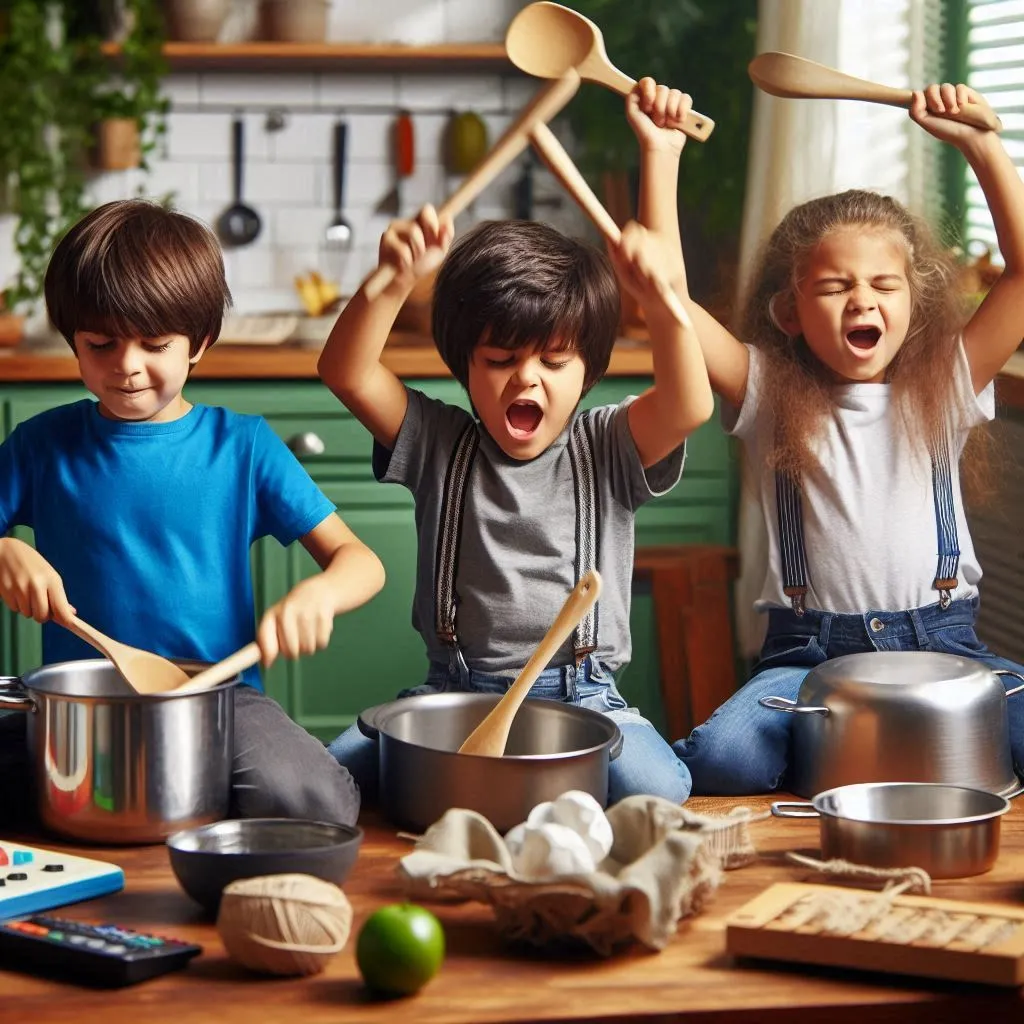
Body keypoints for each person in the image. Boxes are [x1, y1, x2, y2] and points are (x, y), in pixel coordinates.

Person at [318, 79, 713, 806]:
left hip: (582, 699)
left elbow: (689, 403)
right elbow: (344, 372)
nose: (524, 380)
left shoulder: (608, 446)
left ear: (588, 371)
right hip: (454, 693)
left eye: (552, 363)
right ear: (464, 365)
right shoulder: (440, 442)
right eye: (499, 361)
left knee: (661, 792)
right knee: (325, 781)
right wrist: (389, 281)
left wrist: (662, 302)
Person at [671, 83, 1024, 793]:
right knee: (720, 759)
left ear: (914, 302)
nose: (862, 299)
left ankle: (879, 755)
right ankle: (873, 755)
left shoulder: (947, 384)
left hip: (945, 646)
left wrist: (983, 144)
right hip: (810, 662)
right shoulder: (768, 392)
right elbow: (668, 299)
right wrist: (662, 151)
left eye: (883, 285)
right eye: (834, 286)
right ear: (790, 312)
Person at [0, 199, 385, 826]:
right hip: (73, 703)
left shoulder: (243, 446)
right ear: (73, 337)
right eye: (100, 344)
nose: (126, 366)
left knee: (312, 803)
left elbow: (360, 562)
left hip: (218, 698)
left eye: (155, 344)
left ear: (199, 343)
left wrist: (320, 596)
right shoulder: (41, 445)